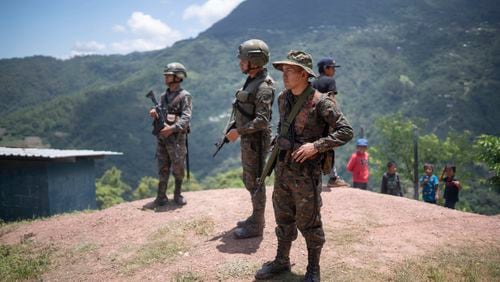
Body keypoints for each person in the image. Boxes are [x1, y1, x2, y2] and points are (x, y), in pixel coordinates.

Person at [255, 50, 353, 282]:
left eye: (289, 71)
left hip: (306, 175)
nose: (284, 75)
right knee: (283, 217)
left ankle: (313, 269)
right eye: (283, 71)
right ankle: (281, 261)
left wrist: (316, 146)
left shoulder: (321, 102)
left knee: (309, 222)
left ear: (304, 74)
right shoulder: (282, 98)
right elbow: (283, 127)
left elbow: (346, 131)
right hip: (283, 169)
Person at [226, 39, 275, 239]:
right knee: (249, 178)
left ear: (255, 61)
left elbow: (262, 121)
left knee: (256, 180)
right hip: (249, 139)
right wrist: (235, 125)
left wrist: (239, 132)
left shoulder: (264, 86)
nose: (240, 63)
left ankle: (257, 224)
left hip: (257, 141)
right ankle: (256, 216)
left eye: (244, 59)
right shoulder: (252, 79)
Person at [147, 62, 192, 207]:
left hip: (176, 138)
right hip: (162, 137)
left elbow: (186, 118)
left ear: (178, 77)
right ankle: (161, 196)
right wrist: (154, 112)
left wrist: (172, 129)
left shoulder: (185, 96)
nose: (166, 77)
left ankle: (177, 195)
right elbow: (160, 111)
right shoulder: (163, 96)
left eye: (169, 75)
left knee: (178, 167)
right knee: (163, 166)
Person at [312, 57, 348, 188]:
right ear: (326, 68)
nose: (334, 70)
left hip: (314, 119)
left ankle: (315, 176)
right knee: (330, 146)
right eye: (332, 67)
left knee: (314, 146)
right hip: (326, 119)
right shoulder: (330, 81)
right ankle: (333, 178)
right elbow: (332, 101)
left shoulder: (313, 82)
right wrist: (336, 121)